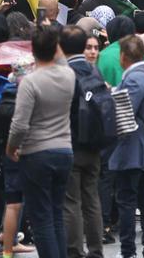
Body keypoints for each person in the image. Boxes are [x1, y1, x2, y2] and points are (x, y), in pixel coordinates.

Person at [6, 27, 75, 258]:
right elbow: (62, 59)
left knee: (41, 218)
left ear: (32, 51)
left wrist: (11, 147)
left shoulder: (30, 82)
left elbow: (19, 125)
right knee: (56, 213)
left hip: (36, 152)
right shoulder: (68, 75)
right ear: (56, 48)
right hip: (64, 149)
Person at [109, 35, 144, 258]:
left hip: (131, 147)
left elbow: (124, 113)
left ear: (124, 56)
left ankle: (128, 250)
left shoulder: (134, 79)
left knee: (127, 201)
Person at [60, 25, 104, 258]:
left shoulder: (66, 72)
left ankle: (74, 251)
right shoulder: (94, 72)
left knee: (71, 201)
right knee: (92, 198)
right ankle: (96, 250)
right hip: (95, 142)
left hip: (71, 142)